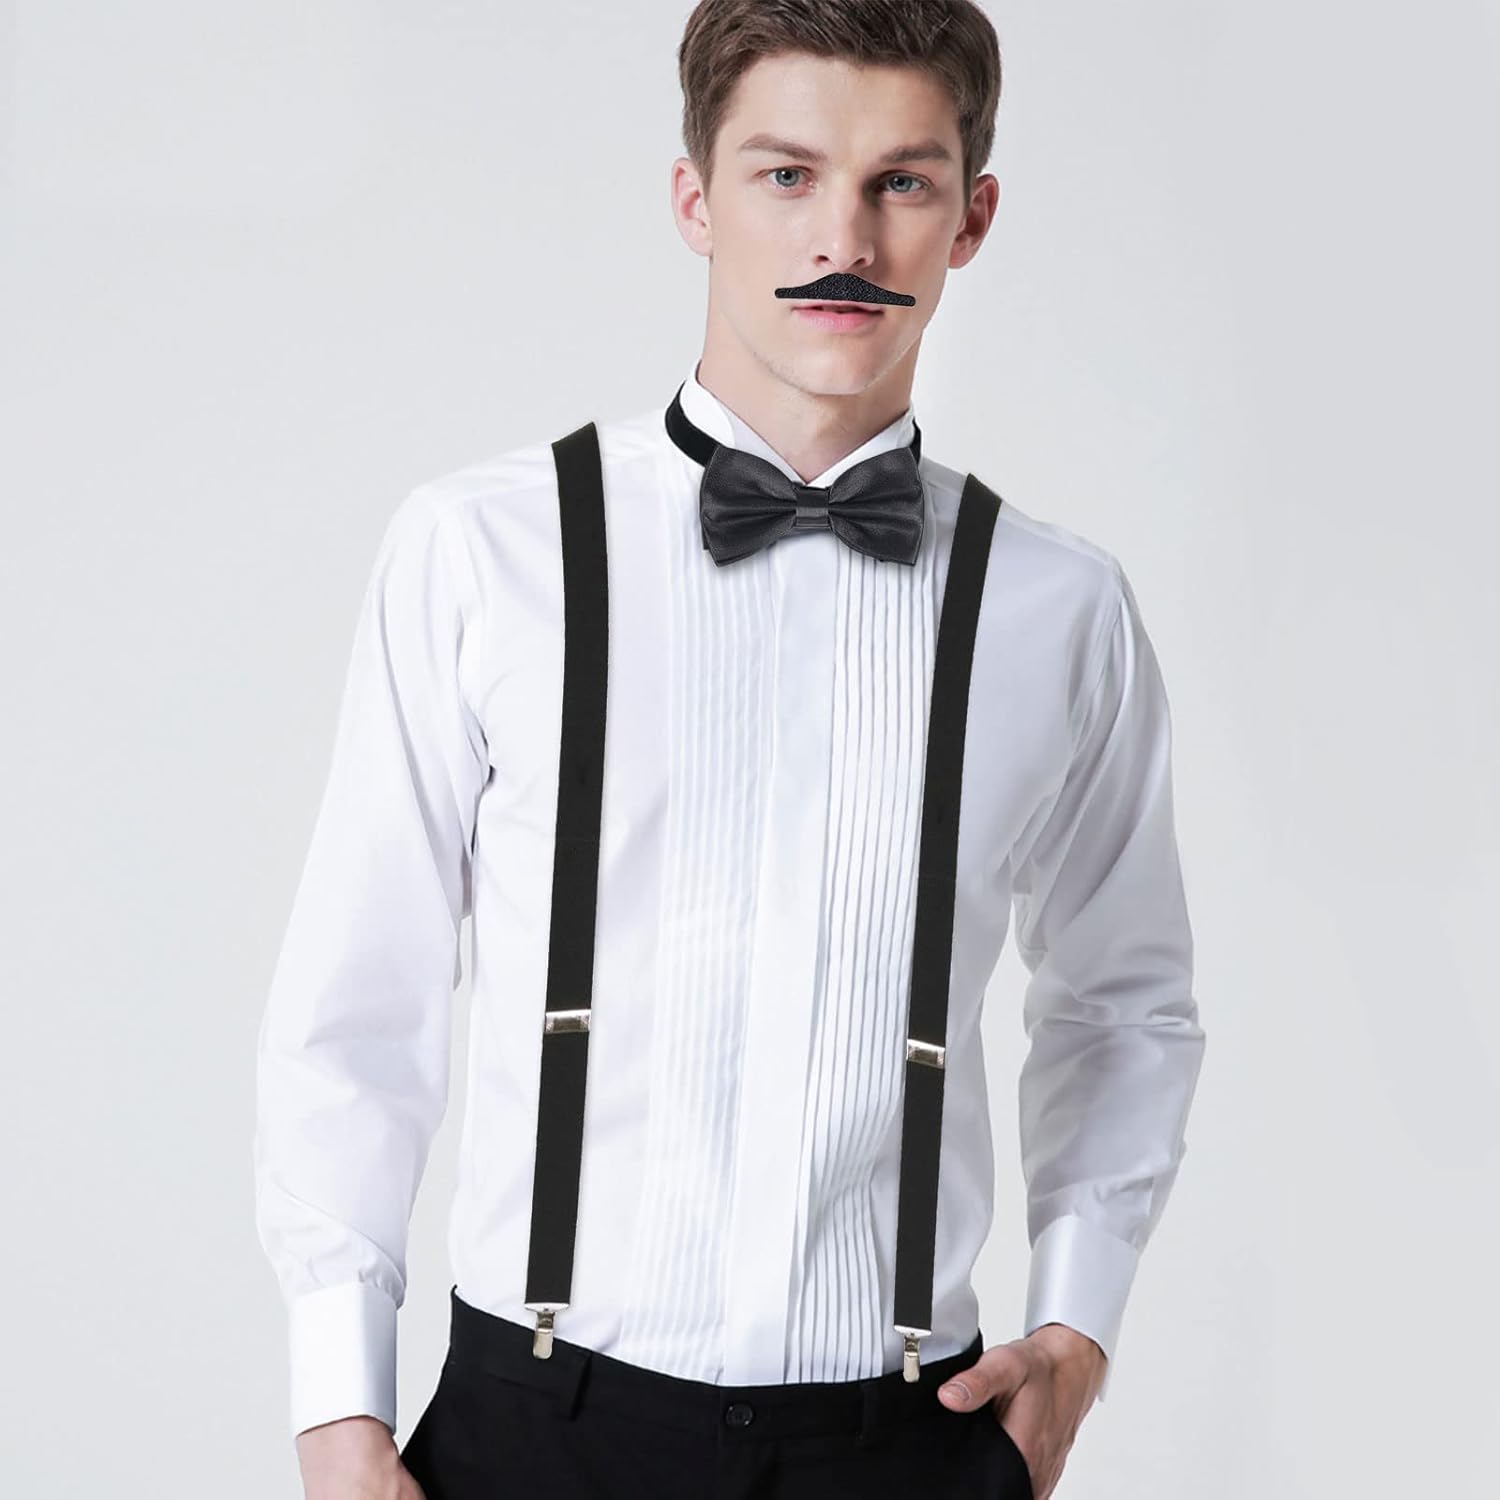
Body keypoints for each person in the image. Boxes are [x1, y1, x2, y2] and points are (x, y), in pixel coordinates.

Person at [254, 3, 1207, 1497]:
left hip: (906, 1441)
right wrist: (338, 1412)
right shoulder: (485, 553)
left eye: (902, 182)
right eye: (786, 174)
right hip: (535, 1437)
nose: (846, 238)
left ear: (971, 218)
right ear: (695, 197)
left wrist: (1076, 1331)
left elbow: (1127, 1002)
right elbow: (357, 1003)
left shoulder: (1060, 608)